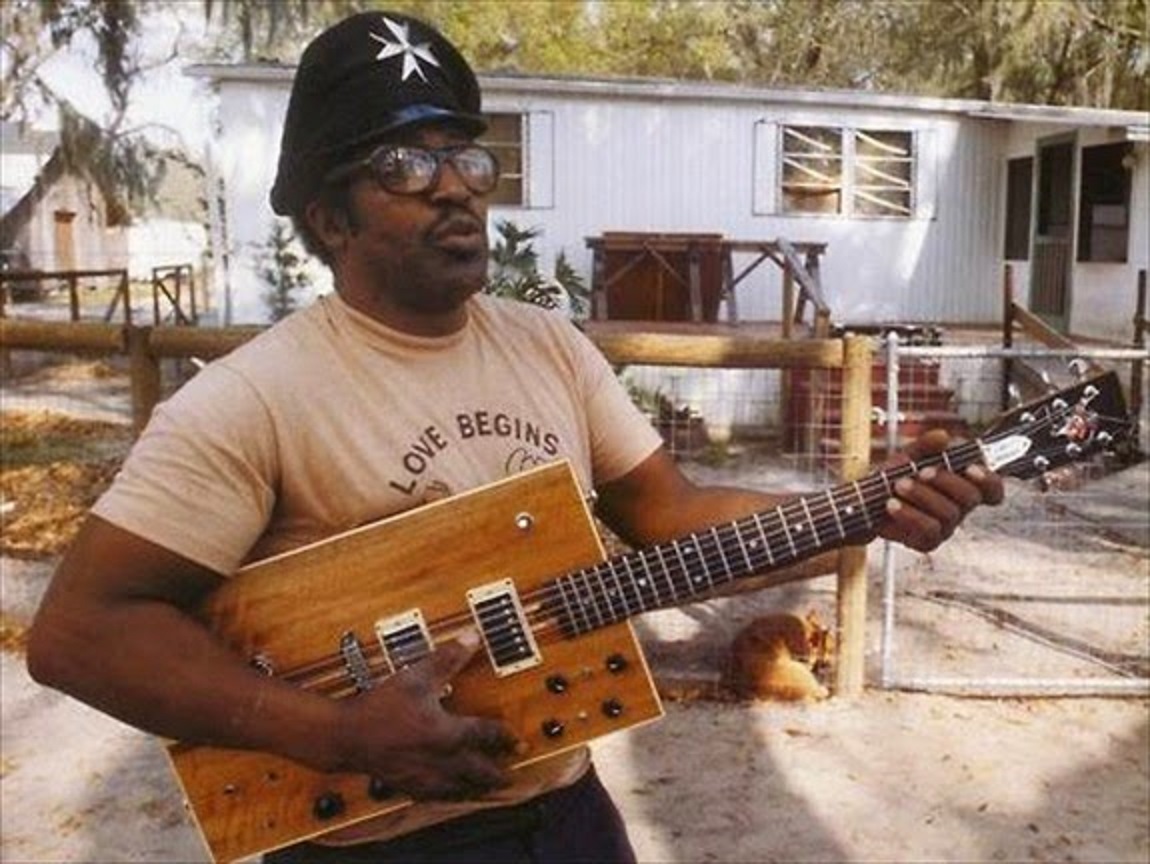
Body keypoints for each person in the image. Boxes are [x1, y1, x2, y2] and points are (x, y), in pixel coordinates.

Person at [26, 11, 1004, 864]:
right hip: (370, 846)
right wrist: (334, 732)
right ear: (328, 219)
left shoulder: (548, 347)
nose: (453, 186)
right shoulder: (253, 399)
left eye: (468, 154)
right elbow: (79, 635)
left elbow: (675, 517)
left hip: (560, 809)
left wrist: (873, 509)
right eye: (404, 165)